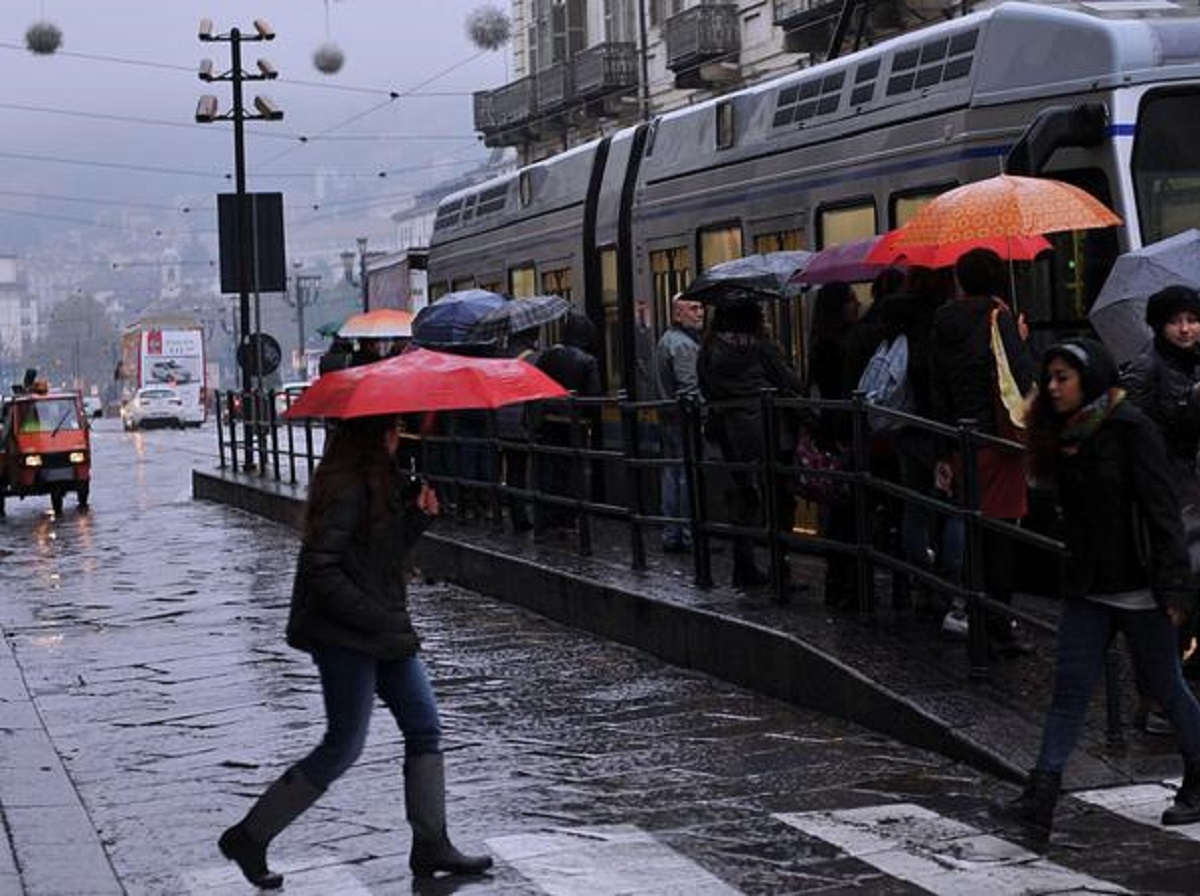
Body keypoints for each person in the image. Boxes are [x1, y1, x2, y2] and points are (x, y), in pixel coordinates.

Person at [217, 415, 492, 889]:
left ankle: (431, 843)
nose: (398, 436)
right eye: (392, 429)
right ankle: (249, 836)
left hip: (382, 629)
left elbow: (379, 558)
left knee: (424, 724)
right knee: (344, 745)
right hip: (345, 634)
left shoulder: (379, 480)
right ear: (374, 436)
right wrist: (370, 614)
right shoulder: (346, 489)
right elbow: (320, 569)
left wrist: (418, 517)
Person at [997, 337, 1200, 835]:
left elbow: (1162, 510)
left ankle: (1197, 776)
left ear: (1088, 379)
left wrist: (1175, 589)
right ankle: (1041, 793)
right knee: (1069, 691)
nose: (1053, 387)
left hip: (1140, 586)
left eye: (1063, 377)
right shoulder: (1063, 434)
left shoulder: (1130, 428)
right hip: (1088, 587)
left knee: (1167, 687)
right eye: (1050, 378)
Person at [929, 248, 1035, 656]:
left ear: (960, 279)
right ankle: (998, 623)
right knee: (1002, 536)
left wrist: (943, 448)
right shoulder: (998, 317)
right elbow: (1020, 375)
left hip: (960, 439)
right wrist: (1021, 340)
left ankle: (970, 610)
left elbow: (937, 386)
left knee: (973, 529)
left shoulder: (943, 320)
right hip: (998, 439)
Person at [1122, 284, 1200, 702]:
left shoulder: (1194, 362)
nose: (1186, 329)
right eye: (1176, 321)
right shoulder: (1145, 369)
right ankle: (1163, 693)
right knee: (1177, 583)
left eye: (1192, 319)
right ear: (1159, 325)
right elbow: (1142, 435)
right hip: (1169, 493)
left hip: (1190, 486)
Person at [698, 302, 804, 587]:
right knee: (781, 498)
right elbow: (790, 382)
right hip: (768, 429)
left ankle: (743, 564)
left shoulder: (709, 350)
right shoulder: (761, 347)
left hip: (730, 432)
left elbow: (705, 387)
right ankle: (780, 567)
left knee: (746, 496)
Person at [807, 281, 861, 606]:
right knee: (843, 510)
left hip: (831, 432)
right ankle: (843, 580)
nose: (857, 305)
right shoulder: (836, 346)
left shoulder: (820, 343)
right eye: (852, 300)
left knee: (840, 509)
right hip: (839, 435)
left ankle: (838, 579)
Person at [530, 312, 602, 532]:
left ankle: (547, 516)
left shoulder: (547, 356)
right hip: (574, 424)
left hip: (548, 423)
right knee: (572, 471)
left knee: (550, 470)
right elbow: (594, 397)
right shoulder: (588, 360)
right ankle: (568, 518)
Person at [654, 294, 704, 553]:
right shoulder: (684, 345)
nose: (700, 313)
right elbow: (689, 389)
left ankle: (671, 533)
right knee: (685, 476)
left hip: (668, 419)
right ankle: (687, 535)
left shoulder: (666, 340)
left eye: (701, 308)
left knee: (671, 475)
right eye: (693, 308)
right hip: (683, 420)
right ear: (677, 314)